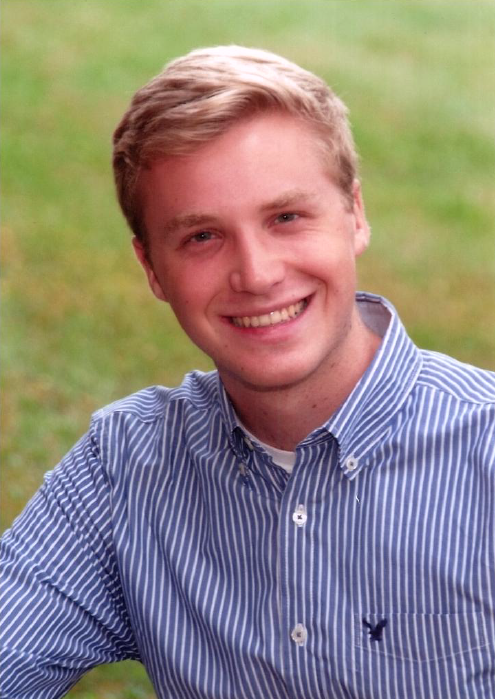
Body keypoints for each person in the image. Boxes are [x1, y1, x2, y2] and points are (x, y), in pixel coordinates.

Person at [1, 45, 494, 699]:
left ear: (354, 214)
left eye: (285, 217)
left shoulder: (483, 452)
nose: (257, 274)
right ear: (151, 269)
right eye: (202, 236)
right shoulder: (122, 472)